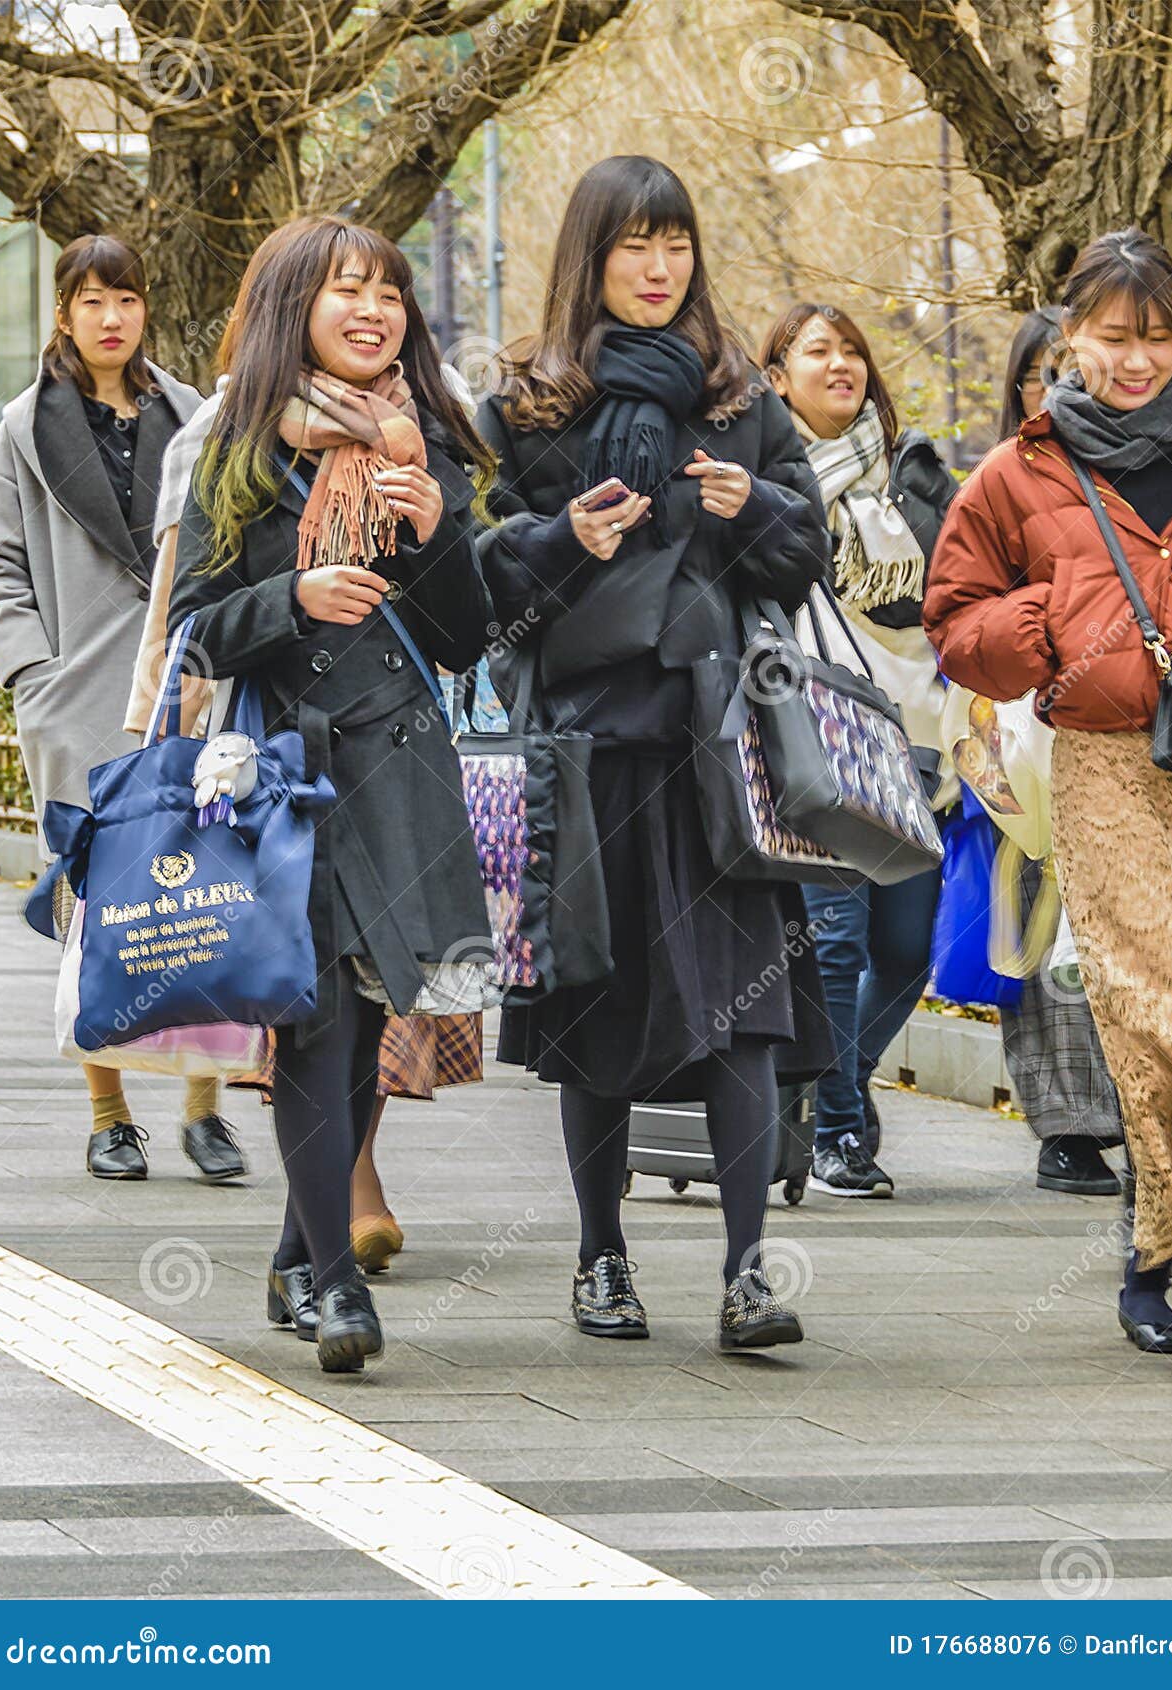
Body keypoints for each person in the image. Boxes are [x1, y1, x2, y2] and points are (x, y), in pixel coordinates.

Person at [476, 155, 832, 1349]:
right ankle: (600, 1258)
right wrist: (556, 535)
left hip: (722, 745)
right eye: (632, 244)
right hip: (588, 752)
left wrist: (757, 511)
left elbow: (807, 552)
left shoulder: (740, 396)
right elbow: (475, 578)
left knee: (744, 1011)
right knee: (598, 1008)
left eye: (674, 242)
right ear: (591, 255)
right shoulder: (528, 406)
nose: (657, 266)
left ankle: (745, 1276)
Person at [924, 227, 1172, 1377]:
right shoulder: (1019, 471)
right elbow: (954, 616)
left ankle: (1145, 1261)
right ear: (1067, 335)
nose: (1135, 360)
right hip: (1104, 768)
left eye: (1156, 337)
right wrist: (1047, 628)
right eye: (1113, 338)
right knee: (1161, 1013)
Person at [171, 214, 494, 1372]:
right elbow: (197, 627)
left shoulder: (429, 452)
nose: (373, 311)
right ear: (292, 308)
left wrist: (432, 530)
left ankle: (299, 1251)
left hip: (399, 776)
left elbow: (463, 642)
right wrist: (294, 597)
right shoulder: (243, 451)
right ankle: (337, 1282)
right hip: (286, 778)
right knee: (318, 1026)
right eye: (346, 290)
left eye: (389, 293)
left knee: (365, 1030)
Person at [0, 233, 246, 1185]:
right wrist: (33, 677)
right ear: (64, 313)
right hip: (79, 695)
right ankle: (109, 1112)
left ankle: (205, 1108)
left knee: (204, 895)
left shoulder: (195, 413)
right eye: (90, 300)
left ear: (144, 309)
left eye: (125, 299)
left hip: (188, 682)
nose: (109, 317)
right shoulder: (23, 425)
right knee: (94, 906)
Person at [760, 301, 959, 1199]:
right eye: (817, 351)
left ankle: (828, 1081)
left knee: (906, 946)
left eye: (852, 351)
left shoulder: (913, 470)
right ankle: (839, 1131)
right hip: (816, 733)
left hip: (914, 733)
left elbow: (958, 595)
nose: (840, 364)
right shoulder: (765, 473)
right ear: (777, 375)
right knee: (835, 938)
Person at [994, 307, 1128, 1196]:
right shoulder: (1003, 482)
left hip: (1130, 728)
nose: (1059, 389)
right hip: (1030, 733)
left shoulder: (1142, 474)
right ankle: (1067, 1125)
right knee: (1044, 924)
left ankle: (1137, 1111)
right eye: (1042, 374)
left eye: (1069, 370)